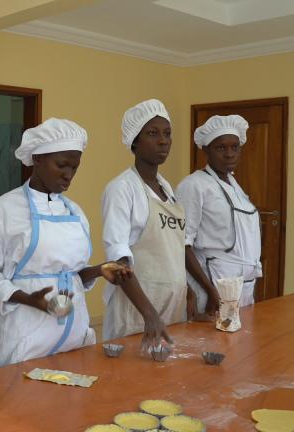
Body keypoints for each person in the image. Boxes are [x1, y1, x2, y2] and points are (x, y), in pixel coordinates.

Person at [0, 118, 129, 368]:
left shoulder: (75, 211)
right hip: (27, 332)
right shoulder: (3, 210)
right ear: (37, 159)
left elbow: (72, 271)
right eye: (62, 165)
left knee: (71, 399)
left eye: (75, 168)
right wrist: (27, 298)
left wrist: (98, 270)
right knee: (21, 400)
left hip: (73, 329)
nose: (69, 175)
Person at [101, 99, 209, 347]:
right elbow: (118, 260)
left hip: (172, 303)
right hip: (138, 307)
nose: (163, 140)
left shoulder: (166, 188)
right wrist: (149, 313)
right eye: (153, 134)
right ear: (135, 141)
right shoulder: (121, 189)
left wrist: (188, 291)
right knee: (132, 376)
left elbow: (171, 247)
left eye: (167, 134)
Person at [177, 115, 261, 311]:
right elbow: (182, 244)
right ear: (206, 149)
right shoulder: (194, 185)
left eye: (235, 147)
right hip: (213, 286)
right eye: (221, 147)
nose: (229, 154)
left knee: (241, 340)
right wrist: (210, 291)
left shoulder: (235, 187)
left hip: (243, 286)